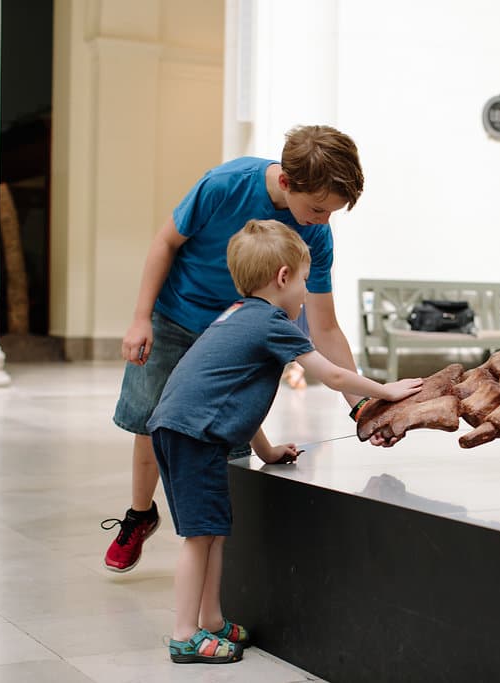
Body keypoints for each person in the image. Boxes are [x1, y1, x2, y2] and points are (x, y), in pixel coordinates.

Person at [148, 220, 422, 663]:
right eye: (304, 281)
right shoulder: (272, 323)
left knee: (213, 532)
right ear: (282, 277)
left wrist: (266, 450)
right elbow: (330, 374)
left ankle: (212, 621)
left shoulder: (236, 314)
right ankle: (184, 634)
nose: (305, 293)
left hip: (183, 430)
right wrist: (386, 390)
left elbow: (229, 398)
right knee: (200, 537)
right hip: (193, 436)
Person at [102, 125, 366, 573]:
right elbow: (166, 242)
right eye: (318, 208)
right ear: (286, 182)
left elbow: (325, 326)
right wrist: (141, 317)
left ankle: (223, 553)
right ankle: (140, 513)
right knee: (149, 420)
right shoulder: (226, 184)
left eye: (332, 213)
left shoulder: (316, 235)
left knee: (226, 431)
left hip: (237, 334)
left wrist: (359, 407)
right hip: (176, 315)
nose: (322, 220)